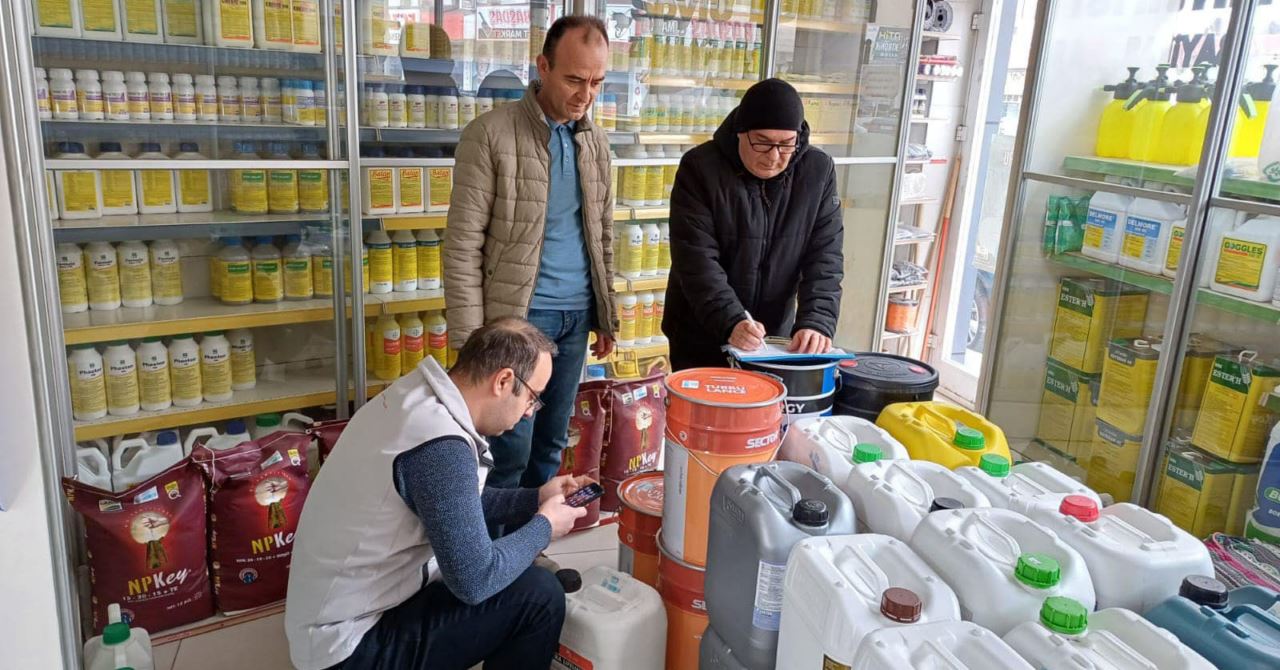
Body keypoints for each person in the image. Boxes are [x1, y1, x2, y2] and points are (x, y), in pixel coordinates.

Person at [285, 318, 593, 670]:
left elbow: (452, 505)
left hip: (337, 614)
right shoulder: (440, 446)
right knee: (539, 596)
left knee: (518, 574)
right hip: (349, 650)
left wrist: (535, 498)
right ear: (504, 380)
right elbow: (475, 580)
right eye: (533, 398)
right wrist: (544, 526)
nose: (528, 414)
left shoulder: (416, 398)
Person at [445, 16, 616, 497]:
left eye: (597, 82)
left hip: (575, 315)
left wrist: (607, 315)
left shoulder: (595, 143)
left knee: (551, 442)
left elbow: (601, 234)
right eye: (574, 79)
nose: (586, 94)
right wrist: (471, 339)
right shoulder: (490, 135)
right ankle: (487, 558)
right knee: (507, 448)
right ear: (542, 67)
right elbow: (462, 245)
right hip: (518, 319)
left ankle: (532, 544)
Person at [662, 78, 844, 370]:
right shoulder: (700, 168)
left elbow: (825, 256)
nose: (773, 157)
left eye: (786, 145)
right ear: (740, 133)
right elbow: (696, 260)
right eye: (761, 142)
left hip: (773, 338)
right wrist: (731, 320)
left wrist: (817, 321)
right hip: (701, 331)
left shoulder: (817, 171)